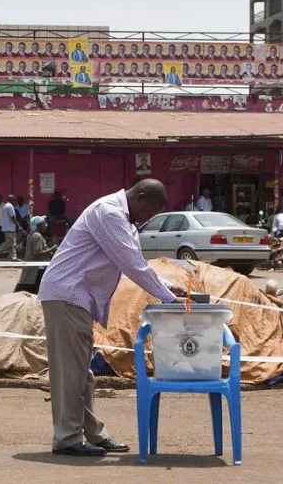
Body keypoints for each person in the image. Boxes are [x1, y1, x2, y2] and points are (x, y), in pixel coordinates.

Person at [38, 179, 186, 457]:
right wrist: (168, 299)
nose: (148, 218)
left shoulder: (126, 221)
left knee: (82, 374)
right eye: (150, 211)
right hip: (67, 294)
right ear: (140, 197)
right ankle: (67, 438)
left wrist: (167, 286)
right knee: (71, 373)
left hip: (77, 299)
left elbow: (136, 262)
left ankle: (93, 433)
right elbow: (130, 263)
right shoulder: (109, 213)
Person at [14, 216, 57, 294]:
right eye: (44, 224)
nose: (45, 225)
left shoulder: (31, 235)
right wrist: (52, 249)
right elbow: (37, 253)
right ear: (38, 225)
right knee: (35, 290)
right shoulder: (37, 236)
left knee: (26, 287)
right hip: (37, 269)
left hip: (31, 267)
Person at [0, 195, 22, 260]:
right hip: (9, 227)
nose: (15, 201)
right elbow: (13, 217)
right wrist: (18, 226)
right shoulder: (9, 206)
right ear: (11, 200)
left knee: (12, 243)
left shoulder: (6, 206)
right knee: (9, 242)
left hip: (8, 227)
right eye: (14, 200)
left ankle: (13, 257)